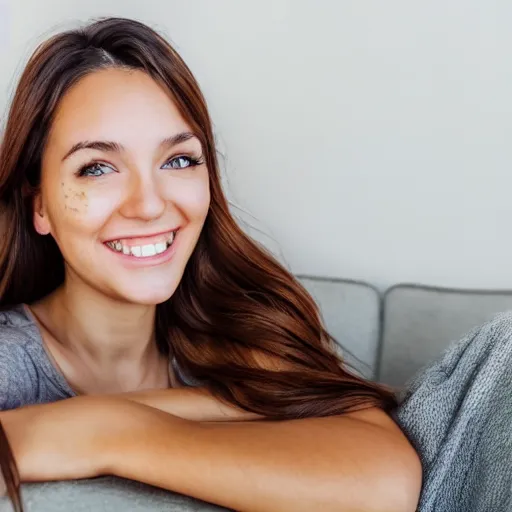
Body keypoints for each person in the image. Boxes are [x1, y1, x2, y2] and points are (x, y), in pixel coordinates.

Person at [0, 17, 421, 511]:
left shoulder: (235, 326)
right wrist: (229, 407)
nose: (150, 204)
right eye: (97, 167)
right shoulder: (12, 361)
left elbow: (384, 483)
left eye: (178, 160)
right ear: (40, 205)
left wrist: (107, 427)